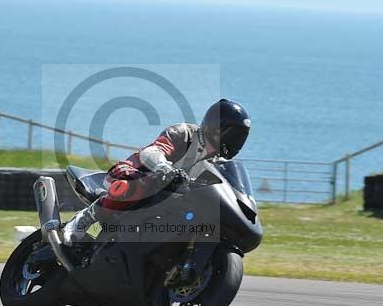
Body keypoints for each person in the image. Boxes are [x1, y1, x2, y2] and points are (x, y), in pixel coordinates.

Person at [62, 99, 251, 245]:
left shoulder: (218, 162)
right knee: (137, 184)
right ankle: (83, 220)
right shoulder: (184, 133)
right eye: (234, 134)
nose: (236, 141)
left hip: (166, 197)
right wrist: (163, 167)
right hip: (132, 173)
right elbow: (152, 151)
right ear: (217, 127)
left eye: (240, 137)